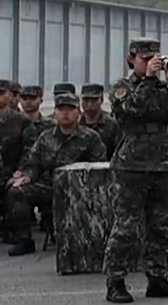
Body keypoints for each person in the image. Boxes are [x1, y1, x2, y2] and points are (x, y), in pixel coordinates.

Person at [102, 39, 168, 304]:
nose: (151, 63)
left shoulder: (162, 87)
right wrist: (150, 80)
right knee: (126, 226)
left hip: (162, 161)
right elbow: (132, 110)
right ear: (132, 60)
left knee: (160, 224)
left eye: (155, 58)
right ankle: (116, 281)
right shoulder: (123, 87)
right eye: (145, 59)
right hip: (132, 163)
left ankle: (157, 277)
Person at [7, 92, 108, 257]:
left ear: (78, 112)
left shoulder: (90, 138)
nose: (65, 113)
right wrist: (28, 176)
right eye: (61, 109)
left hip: (79, 189)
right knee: (16, 192)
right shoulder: (45, 138)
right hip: (49, 186)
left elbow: (98, 166)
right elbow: (34, 163)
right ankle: (23, 240)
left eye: (70, 109)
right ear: (55, 113)